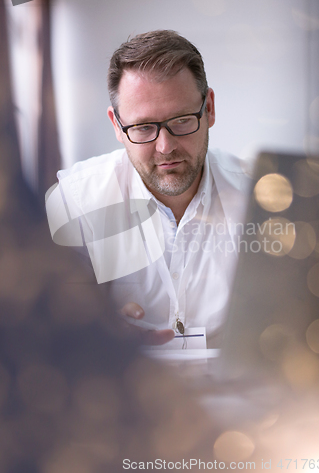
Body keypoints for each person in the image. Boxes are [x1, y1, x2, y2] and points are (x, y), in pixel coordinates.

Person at [46, 30, 248, 348]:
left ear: (208, 108)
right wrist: (92, 333)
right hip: (120, 391)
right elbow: (47, 332)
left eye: (181, 120)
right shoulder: (74, 205)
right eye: (143, 127)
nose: (165, 147)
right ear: (117, 126)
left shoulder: (261, 198)